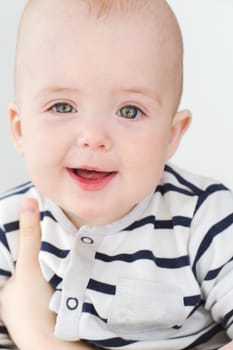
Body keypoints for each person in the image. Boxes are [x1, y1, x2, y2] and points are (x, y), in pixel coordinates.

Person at [0, 0, 233, 349]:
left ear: (172, 135)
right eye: (62, 106)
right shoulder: (9, 231)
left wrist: (36, 335)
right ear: (20, 129)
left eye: (129, 110)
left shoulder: (205, 219)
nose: (93, 136)